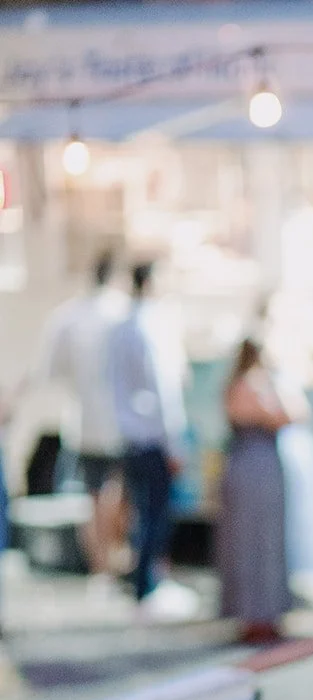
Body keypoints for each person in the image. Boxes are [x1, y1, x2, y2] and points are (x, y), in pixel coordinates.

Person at [107, 261, 196, 619]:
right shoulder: (152, 327)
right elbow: (165, 389)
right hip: (153, 436)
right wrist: (175, 442)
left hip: (132, 434)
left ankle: (145, 583)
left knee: (142, 513)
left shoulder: (123, 327)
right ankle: (148, 586)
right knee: (155, 516)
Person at [38, 249, 129, 585]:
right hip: (119, 425)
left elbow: (50, 371)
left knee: (95, 497)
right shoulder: (124, 316)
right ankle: (110, 564)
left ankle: (102, 568)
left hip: (86, 423)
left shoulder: (71, 316)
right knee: (114, 495)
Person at [215, 339, 292, 644]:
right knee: (256, 540)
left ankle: (259, 612)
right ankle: (256, 614)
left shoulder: (237, 384)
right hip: (256, 467)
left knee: (254, 540)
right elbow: (286, 415)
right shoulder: (252, 385)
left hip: (248, 463)